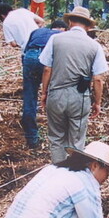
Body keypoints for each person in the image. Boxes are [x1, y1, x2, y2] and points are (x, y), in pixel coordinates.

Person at [39, 7, 108, 163]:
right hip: (80, 97)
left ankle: (58, 173)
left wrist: (44, 93)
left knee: (56, 138)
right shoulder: (94, 46)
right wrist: (97, 102)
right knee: (76, 141)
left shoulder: (55, 39)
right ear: (88, 25)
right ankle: (74, 175)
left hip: (56, 95)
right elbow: (98, 78)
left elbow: (46, 69)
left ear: (70, 22)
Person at [21, 19, 67, 149]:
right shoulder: (60, 37)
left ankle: (31, 137)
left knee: (29, 96)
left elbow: (24, 51)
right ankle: (57, 135)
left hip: (30, 57)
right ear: (63, 29)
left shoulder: (37, 31)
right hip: (48, 60)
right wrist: (45, 91)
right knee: (56, 95)